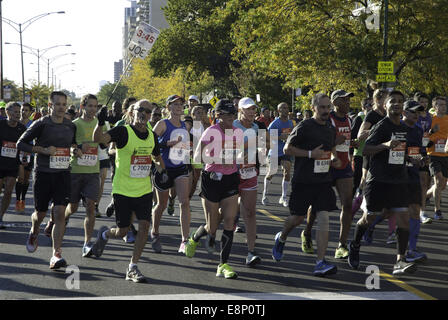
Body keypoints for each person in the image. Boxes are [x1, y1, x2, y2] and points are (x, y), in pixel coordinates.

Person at [92, 103, 165, 283]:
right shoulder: (122, 131)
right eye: (140, 110)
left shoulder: (152, 136)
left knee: (144, 226)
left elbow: (156, 157)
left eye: (148, 111)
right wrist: (100, 121)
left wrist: (163, 172)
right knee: (123, 231)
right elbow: (99, 139)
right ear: (132, 112)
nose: (144, 114)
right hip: (123, 190)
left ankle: (132, 266)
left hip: (144, 190)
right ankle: (105, 234)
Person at [347, 90, 417, 276]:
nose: (397, 104)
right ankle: (355, 244)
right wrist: (384, 145)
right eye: (392, 101)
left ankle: (400, 260)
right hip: (378, 180)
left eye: (400, 101)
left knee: (404, 217)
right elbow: (365, 149)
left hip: (399, 179)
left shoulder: (403, 127)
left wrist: (413, 159)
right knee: (369, 218)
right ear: (385, 105)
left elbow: (402, 151)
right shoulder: (381, 126)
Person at [272, 93, 340, 276]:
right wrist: (310, 154)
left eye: (328, 107)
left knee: (324, 217)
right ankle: (282, 237)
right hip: (303, 180)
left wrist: (334, 159)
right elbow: (287, 148)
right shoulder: (304, 126)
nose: (326, 111)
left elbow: (331, 148)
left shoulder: (330, 128)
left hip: (323, 181)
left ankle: (320, 262)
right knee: (297, 219)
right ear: (314, 108)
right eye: (322, 107)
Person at [17, 91, 77, 269]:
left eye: (63, 104)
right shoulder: (41, 124)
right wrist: (42, 150)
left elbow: (73, 144)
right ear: (50, 106)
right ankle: (34, 230)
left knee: (59, 213)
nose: (61, 107)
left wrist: (75, 149)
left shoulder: (70, 126)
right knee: (41, 214)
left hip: (62, 173)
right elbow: (21, 143)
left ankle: (56, 254)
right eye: (57, 104)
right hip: (43, 173)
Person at [184, 99, 242, 279]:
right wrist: (217, 159)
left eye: (234, 114)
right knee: (212, 226)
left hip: (231, 178)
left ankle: (223, 264)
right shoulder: (211, 131)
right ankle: (195, 237)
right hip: (212, 179)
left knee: (230, 221)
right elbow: (196, 156)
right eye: (228, 114)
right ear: (218, 116)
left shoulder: (238, 132)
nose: (232, 118)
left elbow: (239, 154)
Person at [62, 94, 102, 258]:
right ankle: (61, 219)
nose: (93, 109)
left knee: (90, 206)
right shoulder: (74, 124)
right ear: (82, 107)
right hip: (76, 171)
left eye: (95, 106)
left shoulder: (99, 124)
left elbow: (104, 142)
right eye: (90, 106)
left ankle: (87, 243)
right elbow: (67, 143)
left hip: (93, 171)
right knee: (73, 208)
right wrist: (76, 148)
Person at [152, 95, 192, 253]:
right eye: (175, 104)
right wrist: (168, 143)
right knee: (161, 205)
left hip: (180, 167)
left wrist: (187, 147)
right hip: (164, 168)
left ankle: (185, 240)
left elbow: (186, 144)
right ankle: (154, 232)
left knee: (185, 202)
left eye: (181, 104)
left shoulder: (185, 125)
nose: (178, 107)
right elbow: (151, 142)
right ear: (168, 107)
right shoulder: (163, 124)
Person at [232, 97, 267, 266]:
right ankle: (203, 233)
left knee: (250, 212)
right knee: (224, 215)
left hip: (249, 173)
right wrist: (250, 145)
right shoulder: (232, 127)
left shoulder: (256, 127)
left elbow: (264, 146)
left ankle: (251, 251)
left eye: (254, 109)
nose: (252, 112)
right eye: (248, 109)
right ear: (240, 111)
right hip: (231, 174)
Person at [401, 100, 428, 262]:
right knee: (388, 211)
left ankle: (412, 249)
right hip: (395, 175)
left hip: (412, 174)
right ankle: (367, 229)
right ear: (404, 113)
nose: (416, 115)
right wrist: (408, 158)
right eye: (413, 112)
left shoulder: (418, 130)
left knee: (414, 211)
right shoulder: (397, 128)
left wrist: (423, 158)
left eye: (418, 112)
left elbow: (420, 151)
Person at [105, 97, 137, 218]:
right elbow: (110, 149)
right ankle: (115, 202)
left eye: (137, 108)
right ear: (127, 110)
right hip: (119, 165)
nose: (135, 111)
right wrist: (123, 151)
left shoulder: (145, 126)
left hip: (137, 167)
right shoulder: (120, 124)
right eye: (132, 108)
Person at [0, 102, 27, 228]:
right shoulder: (1, 125)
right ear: (7, 112)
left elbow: (26, 146)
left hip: (13, 164)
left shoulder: (22, 129)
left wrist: (23, 162)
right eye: (15, 112)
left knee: (9, 190)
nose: (18, 114)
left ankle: (0, 216)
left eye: (19, 112)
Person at [262, 102, 294, 207]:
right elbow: (267, 138)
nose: (286, 109)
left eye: (286, 107)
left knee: (287, 171)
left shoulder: (290, 123)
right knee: (271, 173)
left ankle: (284, 197)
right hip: (274, 151)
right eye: (283, 108)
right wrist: (280, 137)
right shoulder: (275, 124)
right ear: (279, 111)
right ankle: (265, 195)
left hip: (285, 151)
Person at [425, 96, 448, 220]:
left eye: (444, 104)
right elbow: (423, 136)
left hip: (446, 154)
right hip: (433, 154)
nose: (443, 107)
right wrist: (432, 131)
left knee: (442, 185)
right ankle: (437, 210)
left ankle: (425, 196)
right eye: (440, 104)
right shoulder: (430, 120)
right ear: (434, 107)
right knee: (438, 181)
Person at [414, 92, 432, 224]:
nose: (424, 104)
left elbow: (429, 135)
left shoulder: (430, 117)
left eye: (425, 102)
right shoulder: (413, 117)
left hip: (425, 151)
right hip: (412, 151)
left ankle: (422, 212)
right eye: (421, 102)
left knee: (424, 183)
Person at [15, 103, 34, 213]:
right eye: (22, 110)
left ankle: (23, 198)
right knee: (20, 178)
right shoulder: (17, 123)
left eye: (26, 110)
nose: (23, 112)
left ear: (30, 112)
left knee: (26, 179)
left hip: (29, 154)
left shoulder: (33, 124)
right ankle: (18, 200)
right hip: (18, 154)